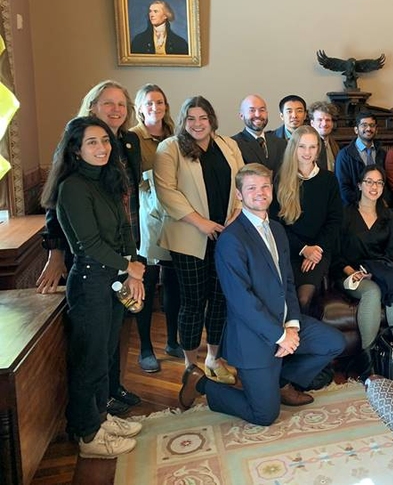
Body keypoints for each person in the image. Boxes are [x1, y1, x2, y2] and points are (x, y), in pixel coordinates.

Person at [178, 164, 346, 424]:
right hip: (252, 335)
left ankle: (279, 382)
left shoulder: (277, 230)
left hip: (283, 322)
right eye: (252, 188)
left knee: (333, 342)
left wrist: (291, 325)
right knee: (265, 415)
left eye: (265, 186)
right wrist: (280, 336)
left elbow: (287, 282)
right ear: (239, 195)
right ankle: (200, 383)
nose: (260, 192)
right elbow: (241, 301)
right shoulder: (231, 239)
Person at [37, 80, 144, 416]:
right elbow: (58, 211)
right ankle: (94, 413)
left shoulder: (126, 144)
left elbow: (130, 203)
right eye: (107, 103)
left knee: (111, 337)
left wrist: (132, 258)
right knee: (93, 345)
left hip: (120, 251)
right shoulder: (75, 152)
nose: (116, 110)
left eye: (121, 104)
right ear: (92, 107)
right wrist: (55, 253)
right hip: (91, 258)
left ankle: (109, 393)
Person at [153, 96, 245, 384]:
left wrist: (235, 214)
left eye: (202, 118)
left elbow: (243, 181)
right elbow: (166, 192)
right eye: (190, 118)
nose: (197, 124)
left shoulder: (228, 145)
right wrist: (201, 223)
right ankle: (190, 366)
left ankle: (213, 359)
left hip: (225, 235)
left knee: (220, 300)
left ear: (211, 119)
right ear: (183, 121)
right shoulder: (170, 148)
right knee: (193, 302)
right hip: (190, 238)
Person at [337, 165, 393, 380]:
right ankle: (367, 361)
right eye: (369, 181)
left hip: (380, 270)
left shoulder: (389, 216)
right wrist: (354, 271)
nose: (374, 186)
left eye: (379, 182)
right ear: (360, 185)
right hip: (350, 273)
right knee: (372, 291)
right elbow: (336, 253)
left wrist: (375, 271)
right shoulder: (346, 214)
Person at [130, 84, 182, 372]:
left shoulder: (173, 137)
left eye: (159, 102)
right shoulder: (132, 139)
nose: (155, 106)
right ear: (140, 107)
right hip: (144, 221)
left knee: (172, 284)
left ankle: (172, 340)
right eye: (149, 102)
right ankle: (146, 348)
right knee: (146, 284)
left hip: (173, 218)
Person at [270, 125, 343, 312]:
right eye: (302, 146)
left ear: (318, 149)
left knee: (303, 298)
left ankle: (306, 339)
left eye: (312, 147)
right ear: (293, 148)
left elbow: (335, 221)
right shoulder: (280, 180)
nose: (307, 152)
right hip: (290, 250)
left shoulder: (329, 180)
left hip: (319, 250)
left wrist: (316, 249)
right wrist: (303, 249)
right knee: (283, 299)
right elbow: (276, 224)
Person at [334, 110, 387, 205]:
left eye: (372, 125)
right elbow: (342, 187)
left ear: (376, 129)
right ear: (356, 129)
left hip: (379, 207)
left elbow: (386, 183)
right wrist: (362, 204)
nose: (368, 129)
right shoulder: (344, 155)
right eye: (364, 125)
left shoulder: (382, 153)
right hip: (354, 208)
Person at [231, 94, 287, 173]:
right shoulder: (233, 144)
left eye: (262, 110)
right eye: (252, 110)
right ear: (241, 115)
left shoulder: (281, 143)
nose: (258, 114)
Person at [309, 101, 340, 172]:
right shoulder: (308, 147)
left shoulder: (335, 145)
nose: (324, 124)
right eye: (320, 120)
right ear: (312, 123)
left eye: (328, 120)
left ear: (332, 123)